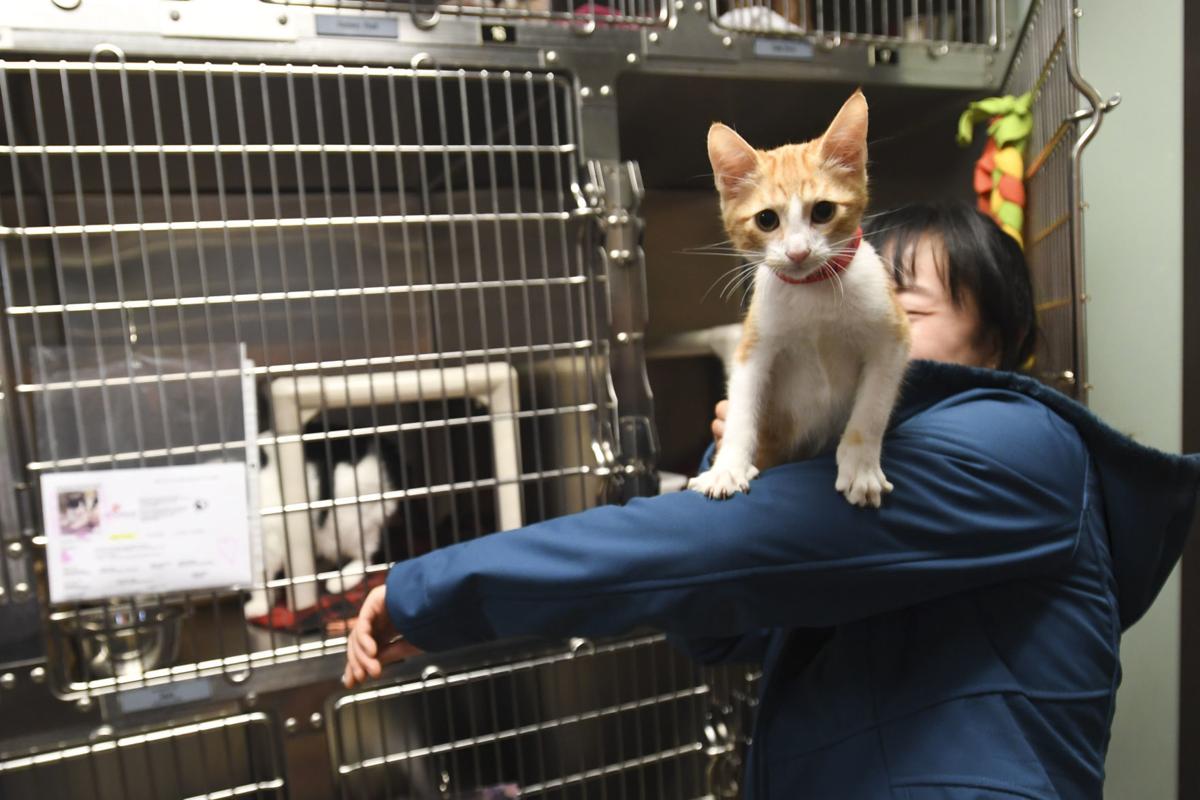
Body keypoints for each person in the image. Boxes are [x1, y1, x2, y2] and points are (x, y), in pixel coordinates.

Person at [343, 201, 1200, 799]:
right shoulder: (854, 454)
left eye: (904, 304)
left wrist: (439, 592)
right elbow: (717, 627)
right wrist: (748, 445)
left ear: (1004, 344)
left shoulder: (1012, 446)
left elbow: (719, 550)